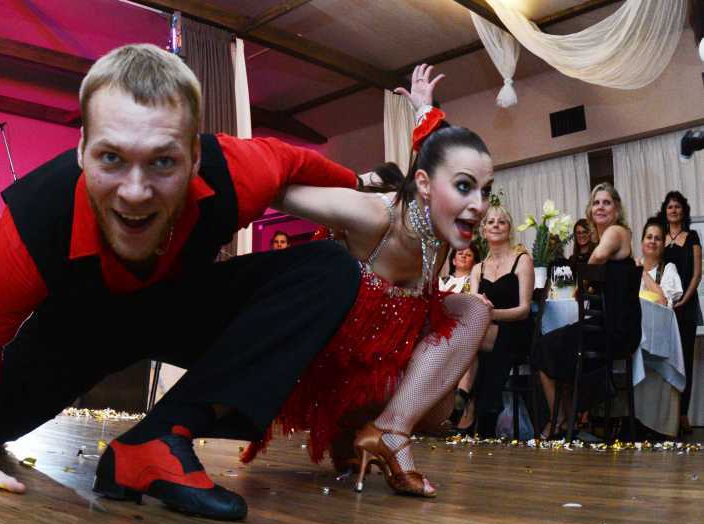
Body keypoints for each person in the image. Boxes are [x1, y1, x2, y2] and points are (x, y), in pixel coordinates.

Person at [0, 44, 365, 522]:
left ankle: (160, 439)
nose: (135, 193)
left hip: (179, 309)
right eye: (111, 158)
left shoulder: (235, 171)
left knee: (330, 268)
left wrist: (363, 185)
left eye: (163, 162)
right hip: (74, 335)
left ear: (195, 157)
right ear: (82, 152)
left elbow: (295, 161)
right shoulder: (30, 227)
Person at [242, 64, 494, 497]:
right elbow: (279, 189)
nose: (480, 205)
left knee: (474, 310)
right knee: (355, 440)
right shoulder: (373, 216)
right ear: (424, 186)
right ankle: (354, 429)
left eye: (485, 191)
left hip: (391, 367)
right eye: (466, 188)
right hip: (339, 372)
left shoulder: (444, 231)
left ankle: (389, 430)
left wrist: (425, 113)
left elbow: (440, 159)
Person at [533, 183, 641, 438]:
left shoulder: (616, 231)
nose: (600, 207)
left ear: (617, 209)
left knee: (543, 348)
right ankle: (568, 420)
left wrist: (584, 283)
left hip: (614, 330)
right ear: (590, 210)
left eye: (606, 202)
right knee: (554, 349)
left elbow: (597, 259)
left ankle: (560, 419)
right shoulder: (608, 237)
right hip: (609, 327)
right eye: (596, 203)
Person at [454, 205, 534, 434]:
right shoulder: (477, 269)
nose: (496, 225)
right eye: (491, 222)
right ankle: (470, 402)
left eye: (501, 221)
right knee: (470, 335)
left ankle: (466, 402)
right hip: (485, 331)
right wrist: (480, 312)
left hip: (518, 328)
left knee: (473, 336)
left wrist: (491, 314)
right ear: (484, 231)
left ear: (509, 229)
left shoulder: (522, 261)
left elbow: (524, 310)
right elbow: (474, 308)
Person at [657, 191, 702, 434]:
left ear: (683, 210)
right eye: (670, 207)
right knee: (664, 359)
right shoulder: (659, 237)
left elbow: (697, 273)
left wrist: (684, 299)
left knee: (685, 358)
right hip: (663, 307)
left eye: (677, 206)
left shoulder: (692, 236)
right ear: (665, 211)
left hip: (686, 307)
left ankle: (682, 414)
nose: (673, 210)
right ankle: (666, 416)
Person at [637, 217, 683, 307]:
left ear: (663, 245)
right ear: (642, 242)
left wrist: (643, 272)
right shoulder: (631, 268)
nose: (652, 241)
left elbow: (662, 303)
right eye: (649, 237)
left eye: (657, 238)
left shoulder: (668, 269)